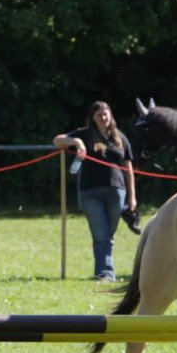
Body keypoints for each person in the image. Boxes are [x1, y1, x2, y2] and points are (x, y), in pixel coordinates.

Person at [53, 101, 137, 282]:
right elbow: (57, 140)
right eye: (99, 114)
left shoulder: (120, 138)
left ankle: (104, 272)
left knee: (108, 234)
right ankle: (105, 274)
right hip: (90, 192)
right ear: (93, 117)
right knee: (101, 234)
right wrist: (76, 142)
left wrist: (132, 197)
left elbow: (128, 169)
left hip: (117, 191)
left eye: (106, 113)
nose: (104, 117)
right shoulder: (84, 134)